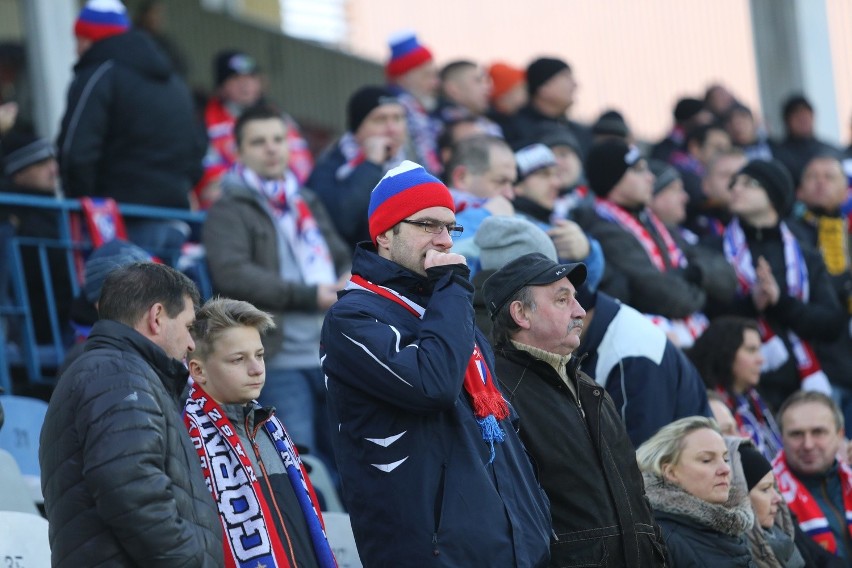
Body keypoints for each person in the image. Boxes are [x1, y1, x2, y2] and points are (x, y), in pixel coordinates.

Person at [320, 160, 551, 566]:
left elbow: (501, 428)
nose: (445, 240)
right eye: (428, 225)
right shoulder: (353, 319)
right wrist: (452, 288)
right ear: (386, 235)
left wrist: (536, 530)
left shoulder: (447, 308)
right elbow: (433, 384)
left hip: (509, 549)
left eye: (450, 227)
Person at [482, 252, 667, 566]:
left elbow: (636, 497)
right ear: (521, 314)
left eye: (576, 299)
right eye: (562, 300)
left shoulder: (591, 389)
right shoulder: (497, 395)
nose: (580, 311)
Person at [38, 262, 222, 566]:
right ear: (157, 317)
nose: (191, 343)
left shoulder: (112, 371)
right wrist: (193, 562)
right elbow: (133, 492)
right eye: (189, 327)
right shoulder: (118, 375)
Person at [204, 104, 351, 468]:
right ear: (238, 152)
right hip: (277, 358)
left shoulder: (305, 199)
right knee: (299, 465)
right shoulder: (228, 209)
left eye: (277, 139)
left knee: (351, 459)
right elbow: (233, 274)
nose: (271, 149)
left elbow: (340, 254)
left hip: (330, 352)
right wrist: (308, 295)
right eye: (258, 142)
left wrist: (348, 278)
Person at [184, 297, 336, 567]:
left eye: (260, 355)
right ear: (198, 370)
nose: (256, 369)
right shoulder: (186, 436)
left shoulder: (270, 425)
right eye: (238, 359)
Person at [57, 0, 203, 253]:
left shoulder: (98, 73)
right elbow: (197, 147)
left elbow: (76, 151)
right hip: (174, 219)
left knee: (113, 292)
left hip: (117, 222)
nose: (76, 49)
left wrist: (84, 203)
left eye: (79, 39)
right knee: (165, 292)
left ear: (88, 39)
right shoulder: (174, 82)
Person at [575, 138, 736, 347]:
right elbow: (666, 296)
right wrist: (702, 289)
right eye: (639, 170)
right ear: (614, 179)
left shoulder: (655, 223)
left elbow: (727, 275)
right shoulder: (603, 230)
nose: (650, 177)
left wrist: (694, 273)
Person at [714, 159, 845, 409]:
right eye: (734, 183)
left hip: (802, 384)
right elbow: (709, 316)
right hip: (738, 388)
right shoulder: (715, 248)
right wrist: (751, 304)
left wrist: (779, 302)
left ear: (773, 195)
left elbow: (831, 322)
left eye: (749, 183)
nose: (736, 189)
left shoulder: (804, 253)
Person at [576, 285, 711, 447]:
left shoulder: (632, 355)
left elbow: (639, 451)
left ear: (579, 314)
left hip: (688, 459)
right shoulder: (607, 319)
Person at [198, 49, 313, 207]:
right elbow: (209, 179)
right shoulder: (205, 120)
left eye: (251, 77)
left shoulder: (279, 117)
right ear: (221, 86)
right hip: (233, 204)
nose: (245, 84)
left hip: (283, 200)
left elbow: (302, 163)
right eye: (235, 78)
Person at [637, 416, 756, 567]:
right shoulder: (660, 541)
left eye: (725, 459)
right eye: (706, 460)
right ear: (671, 472)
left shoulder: (731, 523)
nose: (725, 469)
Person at [789, 154, 852, 429]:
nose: (820, 183)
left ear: (844, 189)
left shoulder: (846, 229)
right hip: (822, 364)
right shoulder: (790, 233)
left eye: (829, 177)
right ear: (799, 191)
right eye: (813, 177)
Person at [307, 85, 408, 248]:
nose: (392, 129)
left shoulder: (411, 164)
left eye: (397, 118)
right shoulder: (329, 168)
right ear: (357, 128)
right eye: (380, 120)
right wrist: (371, 164)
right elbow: (342, 223)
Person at [0, 131, 73, 345]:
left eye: (53, 161)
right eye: (41, 163)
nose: (54, 170)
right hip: (36, 334)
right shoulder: (14, 220)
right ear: (17, 173)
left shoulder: (59, 214)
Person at [512, 142, 604, 290]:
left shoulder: (558, 219)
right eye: (544, 175)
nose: (556, 183)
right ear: (516, 185)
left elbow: (587, 287)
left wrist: (588, 251)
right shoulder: (510, 224)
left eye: (556, 175)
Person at [688, 316, 782, 460]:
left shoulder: (755, 399)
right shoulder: (705, 407)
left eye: (759, 350)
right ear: (726, 352)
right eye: (751, 350)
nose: (761, 359)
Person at [773, 391, 852, 561]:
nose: (808, 444)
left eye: (818, 432)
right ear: (781, 438)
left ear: (839, 435)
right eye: (796, 434)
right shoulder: (768, 494)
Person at [729, 437, 808, 568]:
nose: (778, 498)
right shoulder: (732, 558)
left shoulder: (781, 537)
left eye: (774, 487)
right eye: (765, 489)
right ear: (740, 497)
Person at [503, 57, 592, 158]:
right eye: (566, 77)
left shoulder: (579, 131)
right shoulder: (513, 130)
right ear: (543, 87)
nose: (575, 85)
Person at [385, 31, 441, 174]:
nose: (435, 83)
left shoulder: (423, 111)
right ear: (403, 78)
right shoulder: (396, 113)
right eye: (427, 75)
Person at [772, 94, 838, 186]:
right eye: (797, 116)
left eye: (806, 115)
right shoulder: (777, 154)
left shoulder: (830, 150)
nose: (803, 119)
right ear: (787, 120)